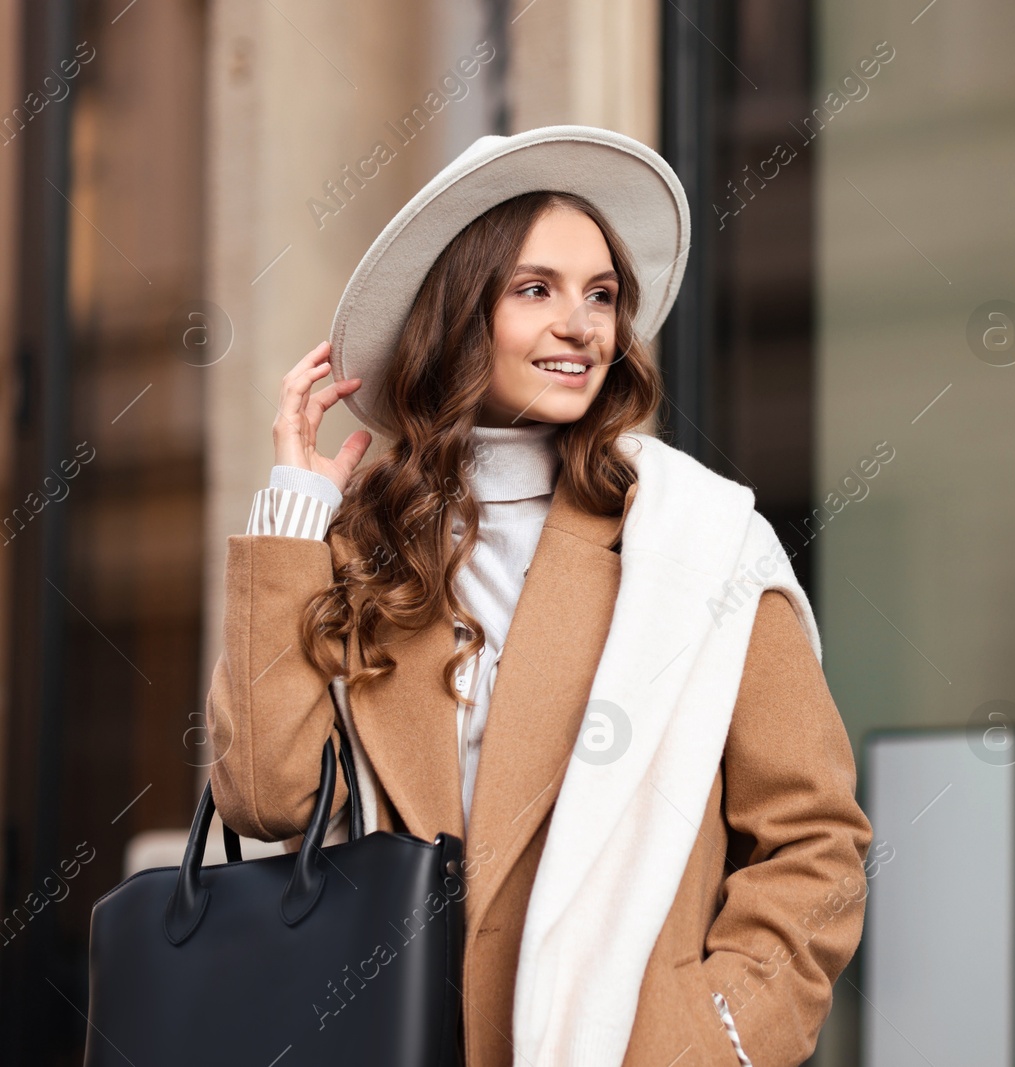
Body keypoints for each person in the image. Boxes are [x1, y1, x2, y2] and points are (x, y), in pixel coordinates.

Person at [204, 126, 873, 1067]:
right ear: (458, 316)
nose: (582, 325)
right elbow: (266, 797)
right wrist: (296, 515)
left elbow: (816, 842)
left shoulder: (694, 542)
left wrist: (721, 1031)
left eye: (601, 295)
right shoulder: (375, 546)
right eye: (536, 290)